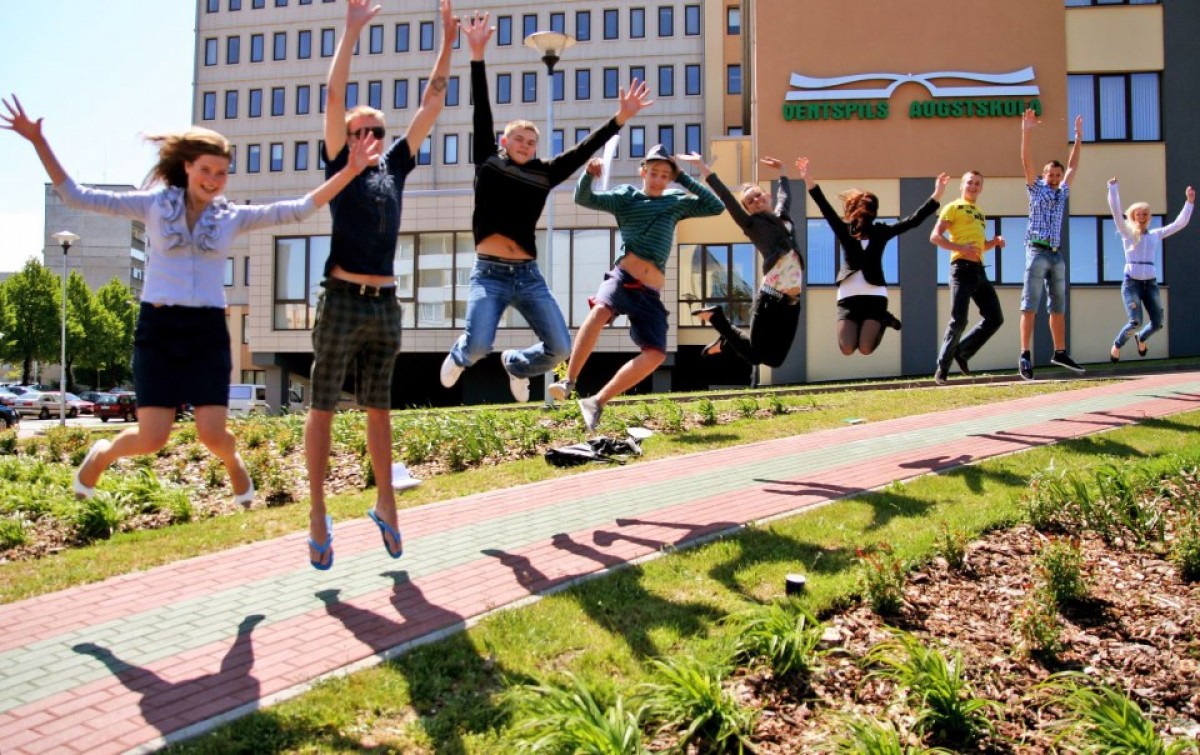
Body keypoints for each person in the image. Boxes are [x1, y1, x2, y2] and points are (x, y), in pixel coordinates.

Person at [1, 96, 378, 527]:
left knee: (213, 434)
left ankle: (233, 462)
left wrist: (350, 170)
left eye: (221, 173)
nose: (213, 180)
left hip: (206, 331)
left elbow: (298, 209)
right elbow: (75, 195)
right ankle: (102, 454)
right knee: (152, 437)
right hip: (159, 329)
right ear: (187, 167)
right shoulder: (153, 205)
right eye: (206, 170)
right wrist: (38, 141)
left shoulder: (231, 216)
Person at [304, 0, 457, 570]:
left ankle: (386, 503)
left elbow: (432, 102)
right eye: (359, 130)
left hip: (386, 304)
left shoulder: (394, 165)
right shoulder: (338, 165)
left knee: (379, 409)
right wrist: (349, 33)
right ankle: (318, 511)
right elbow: (333, 96)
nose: (369, 136)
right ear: (345, 137)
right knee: (322, 405)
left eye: (376, 130)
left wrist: (449, 42)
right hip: (342, 299)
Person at [440, 12, 653, 403]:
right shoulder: (488, 163)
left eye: (531, 142)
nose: (525, 145)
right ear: (504, 143)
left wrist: (620, 119)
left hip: (527, 275)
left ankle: (517, 365)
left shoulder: (545, 174)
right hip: (488, 274)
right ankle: (460, 354)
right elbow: (481, 112)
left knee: (560, 348)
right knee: (477, 345)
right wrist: (476, 56)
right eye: (518, 139)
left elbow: (582, 150)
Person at [554, 147, 724, 431]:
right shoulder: (625, 197)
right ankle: (568, 380)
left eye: (665, 176)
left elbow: (715, 207)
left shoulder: (675, 201)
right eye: (654, 173)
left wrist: (683, 177)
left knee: (656, 355)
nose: (658, 180)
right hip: (623, 278)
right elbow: (584, 198)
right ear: (643, 171)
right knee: (600, 312)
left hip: (650, 293)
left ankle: (596, 402)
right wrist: (588, 175)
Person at [797, 158, 949, 356]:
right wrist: (808, 179)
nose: (864, 212)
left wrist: (937, 195)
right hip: (848, 299)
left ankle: (884, 319)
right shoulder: (845, 231)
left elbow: (913, 221)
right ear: (854, 210)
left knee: (866, 348)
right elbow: (824, 207)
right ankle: (881, 320)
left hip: (875, 297)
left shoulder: (881, 232)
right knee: (847, 348)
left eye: (869, 208)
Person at [689, 156, 805, 371]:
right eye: (750, 201)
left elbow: (785, 195)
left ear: (767, 196)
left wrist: (782, 170)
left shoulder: (783, 216)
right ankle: (717, 317)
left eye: (758, 195)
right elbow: (726, 197)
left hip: (792, 300)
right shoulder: (751, 224)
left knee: (775, 360)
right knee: (755, 356)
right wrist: (703, 167)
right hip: (771, 296)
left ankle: (727, 340)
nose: (756, 201)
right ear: (748, 210)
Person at [1018, 110, 1084, 380]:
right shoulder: (1036, 189)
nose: (1055, 178)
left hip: (1056, 255)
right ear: (1043, 175)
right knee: (1030, 303)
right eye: (1051, 174)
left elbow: (1073, 167)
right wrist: (1026, 131)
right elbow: (1026, 160)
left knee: (1058, 306)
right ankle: (1025, 354)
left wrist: (1078, 138)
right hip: (1036, 250)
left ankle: (1060, 351)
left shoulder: (1063, 191)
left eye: (1058, 174)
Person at [1105, 178, 1195, 361]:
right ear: (1132, 216)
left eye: (1145, 214)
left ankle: (1141, 338)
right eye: (1138, 214)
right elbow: (1116, 213)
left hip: (1150, 284)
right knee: (1136, 321)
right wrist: (1113, 189)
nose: (1142, 217)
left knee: (1158, 323)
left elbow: (1179, 224)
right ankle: (1117, 344)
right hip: (1131, 284)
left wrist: (1189, 202)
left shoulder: (1155, 234)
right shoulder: (1127, 233)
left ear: (1149, 217)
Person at [930, 171, 1006, 385]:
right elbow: (935, 237)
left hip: (979, 271)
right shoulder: (953, 207)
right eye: (969, 182)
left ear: (981, 188)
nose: (973, 186)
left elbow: (979, 247)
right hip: (961, 270)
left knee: (995, 318)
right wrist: (960, 248)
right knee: (959, 320)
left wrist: (993, 243)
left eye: (977, 184)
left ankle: (962, 352)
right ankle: (943, 367)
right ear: (962, 185)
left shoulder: (980, 213)